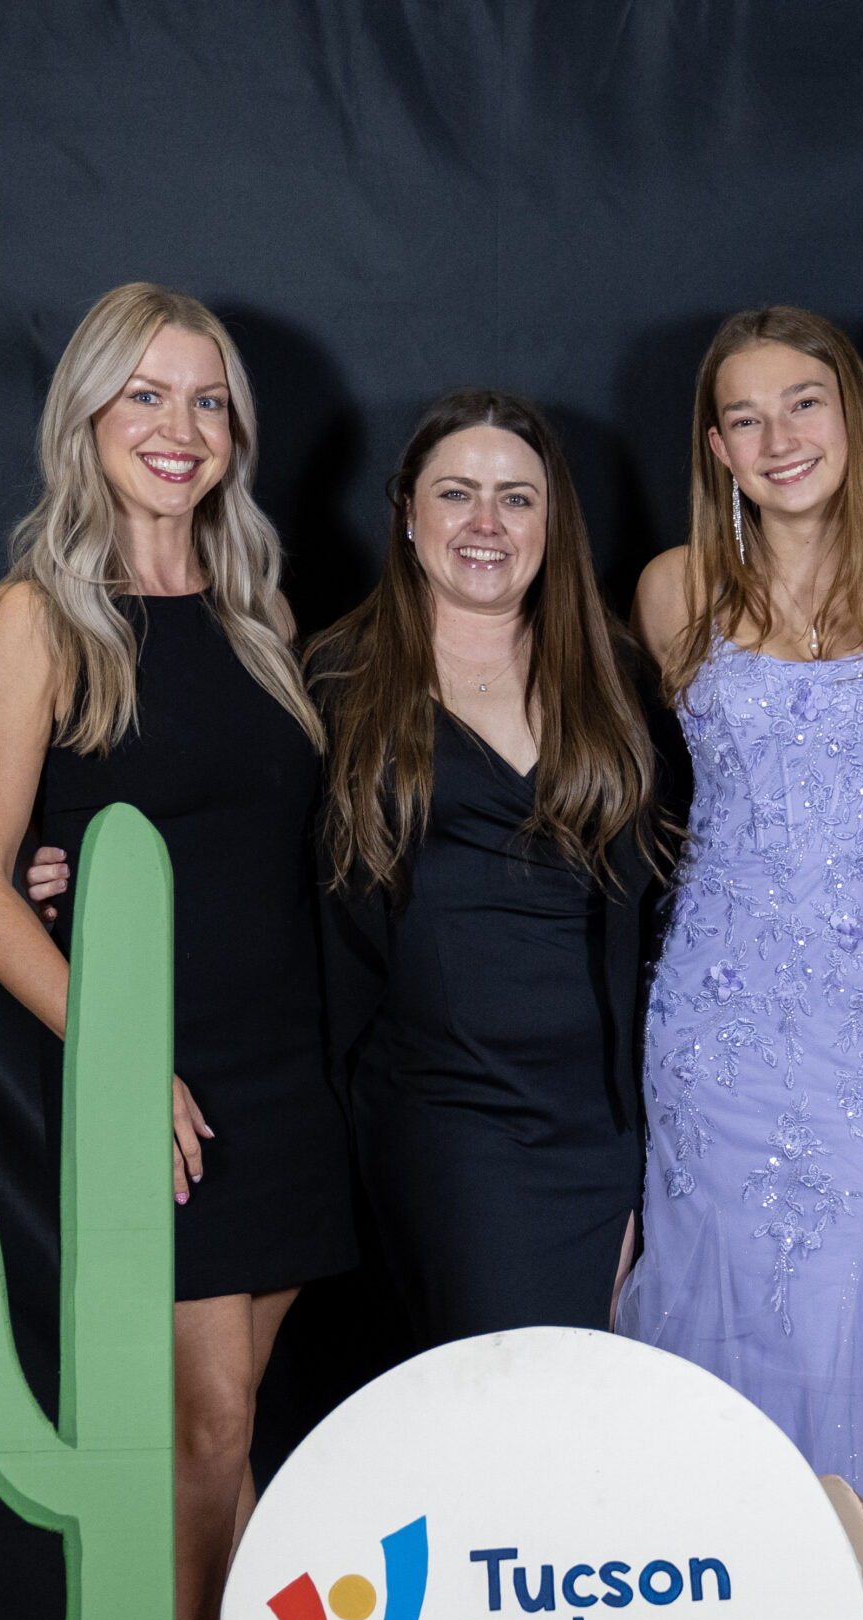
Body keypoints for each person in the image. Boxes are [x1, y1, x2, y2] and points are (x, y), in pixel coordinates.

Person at [0, 282, 352, 1620]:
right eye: (147, 396)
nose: (180, 427)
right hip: (157, 1077)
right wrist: (119, 1061)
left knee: (229, 1439)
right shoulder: (31, 621)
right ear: (88, 418)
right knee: (205, 1426)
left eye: (207, 400)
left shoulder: (257, 611)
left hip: (289, 1073)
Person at [618, 306, 863, 1555]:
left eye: (802, 404)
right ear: (716, 447)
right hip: (713, 1034)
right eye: (746, 417)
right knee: (713, 1308)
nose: (779, 439)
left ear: (851, 414)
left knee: (854, 1307)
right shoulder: (674, 588)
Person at [312, 389, 683, 1345]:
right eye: (456, 493)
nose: (486, 522)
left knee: (583, 1399)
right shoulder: (338, 682)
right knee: (499, 1390)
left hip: (603, 1121)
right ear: (408, 513)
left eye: (517, 498)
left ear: (552, 524)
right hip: (444, 1116)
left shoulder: (616, 677)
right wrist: (63, 871)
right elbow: (240, 851)